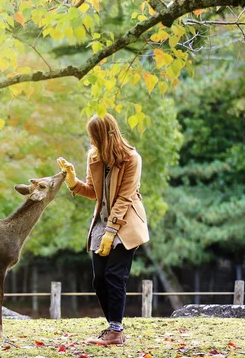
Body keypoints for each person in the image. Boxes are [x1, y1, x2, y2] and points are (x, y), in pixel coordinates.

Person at [57, 113, 149, 346]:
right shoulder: (94, 157)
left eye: (93, 137)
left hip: (126, 223)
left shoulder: (131, 159)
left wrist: (112, 231)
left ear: (104, 136)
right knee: (99, 280)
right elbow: (94, 192)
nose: (91, 142)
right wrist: (72, 181)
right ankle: (114, 329)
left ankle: (116, 331)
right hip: (103, 222)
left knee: (115, 276)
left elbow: (125, 197)